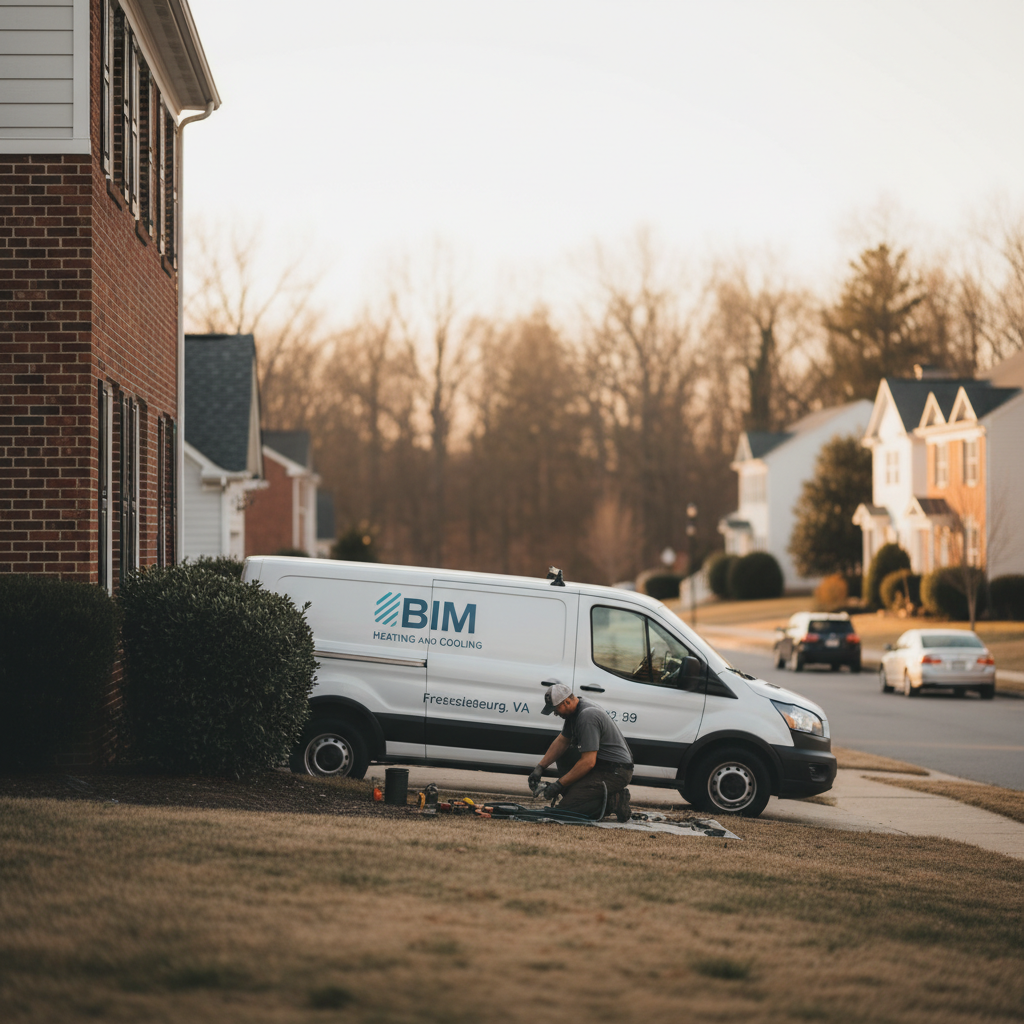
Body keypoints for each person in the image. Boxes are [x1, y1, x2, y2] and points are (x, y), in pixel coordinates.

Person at [527, 681, 633, 821]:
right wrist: (539, 768)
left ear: (566, 702)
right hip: (603, 766)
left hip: (615, 771)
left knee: (566, 811)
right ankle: (577, 793)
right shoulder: (574, 711)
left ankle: (615, 800)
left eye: (556, 709)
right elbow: (562, 741)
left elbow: (588, 762)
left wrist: (559, 785)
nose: (555, 714)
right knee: (565, 751)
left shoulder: (587, 716)